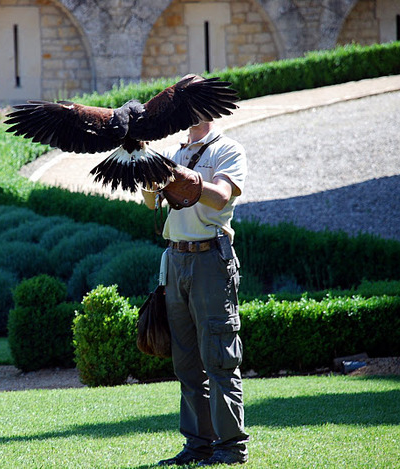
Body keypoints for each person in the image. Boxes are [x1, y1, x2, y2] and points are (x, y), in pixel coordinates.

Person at [142, 119, 249, 466]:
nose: (186, 109)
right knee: (186, 362)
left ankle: (231, 447)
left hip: (210, 259)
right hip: (175, 258)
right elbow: (149, 202)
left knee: (219, 356)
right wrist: (147, 175)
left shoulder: (227, 149)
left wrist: (176, 175)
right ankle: (198, 445)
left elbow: (219, 198)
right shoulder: (172, 150)